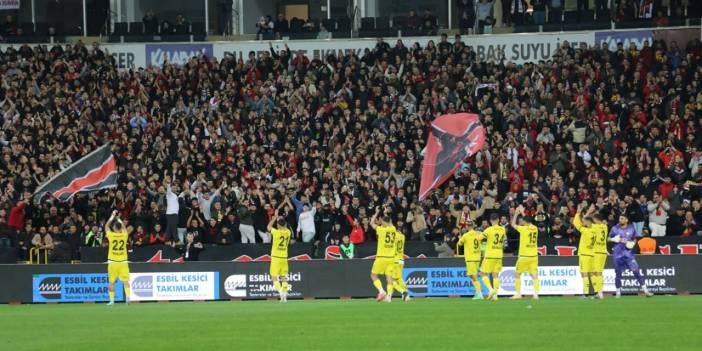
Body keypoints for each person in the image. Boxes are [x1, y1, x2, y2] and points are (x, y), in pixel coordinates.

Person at [608, 215, 654, 298]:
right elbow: (607, 238)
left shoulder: (631, 228)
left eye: (622, 219)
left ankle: (646, 291)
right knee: (618, 274)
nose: (620, 220)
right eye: (619, 218)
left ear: (626, 220)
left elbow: (634, 238)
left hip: (628, 254)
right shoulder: (615, 228)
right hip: (617, 255)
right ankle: (618, 293)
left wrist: (633, 243)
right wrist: (613, 239)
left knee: (636, 271)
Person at [509, 205, 539, 300]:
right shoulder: (535, 228)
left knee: (517, 274)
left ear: (525, 222)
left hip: (524, 256)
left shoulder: (523, 229)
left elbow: (513, 224)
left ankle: (518, 294)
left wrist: (516, 214)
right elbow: (527, 220)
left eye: (522, 221)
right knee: (534, 275)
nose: (521, 222)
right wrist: (523, 212)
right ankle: (536, 294)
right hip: (534, 256)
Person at [369, 208, 397, 302]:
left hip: (382, 257)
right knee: (389, 277)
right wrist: (386, 213)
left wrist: (376, 212)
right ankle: (389, 297)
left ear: (384, 223)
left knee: (373, 275)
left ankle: (381, 291)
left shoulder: (381, 230)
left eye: (382, 221)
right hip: (391, 258)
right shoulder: (393, 229)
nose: (380, 223)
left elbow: (372, 223)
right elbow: (390, 222)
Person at [105, 210, 131, 305]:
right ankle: (128, 297)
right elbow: (124, 227)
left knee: (111, 282)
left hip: (112, 262)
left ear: (114, 228)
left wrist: (112, 216)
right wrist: (119, 218)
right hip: (123, 262)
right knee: (125, 281)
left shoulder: (111, 235)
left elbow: (106, 226)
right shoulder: (124, 235)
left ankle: (112, 300)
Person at [480, 213, 506, 301]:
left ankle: (491, 290)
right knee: (495, 276)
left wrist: (478, 233)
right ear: (498, 220)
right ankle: (495, 295)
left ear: (490, 221)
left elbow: (479, 238)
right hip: (499, 255)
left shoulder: (488, 230)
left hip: (490, 254)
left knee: (482, 273)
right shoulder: (503, 229)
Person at [267, 208, 291, 303]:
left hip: (276, 257)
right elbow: (284, 225)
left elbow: (268, 226)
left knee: (274, 276)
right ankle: (284, 296)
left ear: (277, 225)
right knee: (284, 277)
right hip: (284, 258)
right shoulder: (288, 232)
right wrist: (280, 220)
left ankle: (280, 291)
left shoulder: (276, 232)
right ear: (285, 225)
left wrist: (275, 217)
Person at [456, 220, 484, 300]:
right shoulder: (478, 233)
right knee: (471, 275)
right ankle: (477, 291)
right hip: (477, 257)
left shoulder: (466, 235)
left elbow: (460, 243)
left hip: (470, 258)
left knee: (473, 276)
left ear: (467, 226)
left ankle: (479, 293)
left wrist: (460, 237)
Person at [572, 203, 596, 298]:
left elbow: (576, 222)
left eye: (585, 221)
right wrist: (589, 212)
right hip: (592, 254)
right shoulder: (596, 229)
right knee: (593, 274)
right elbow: (585, 221)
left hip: (585, 255)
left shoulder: (585, 230)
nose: (583, 222)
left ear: (588, 222)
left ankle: (585, 293)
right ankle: (596, 292)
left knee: (584, 274)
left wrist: (578, 212)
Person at [590, 212, 609, 299]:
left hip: (597, 252)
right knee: (597, 272)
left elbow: (585, 222)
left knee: (597, 273)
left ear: (596, 220)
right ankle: (598, 292)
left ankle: (600, 292)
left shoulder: (595, 227)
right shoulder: (605, 227)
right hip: (603, 252)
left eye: (594, 220)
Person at [388, 227, 409, 302]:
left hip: (395, 260)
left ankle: (403, 292)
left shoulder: (393, 236)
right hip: (401, 260)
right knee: (399, 278)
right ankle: (406, 295)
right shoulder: (403, 236)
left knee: (390, 279)